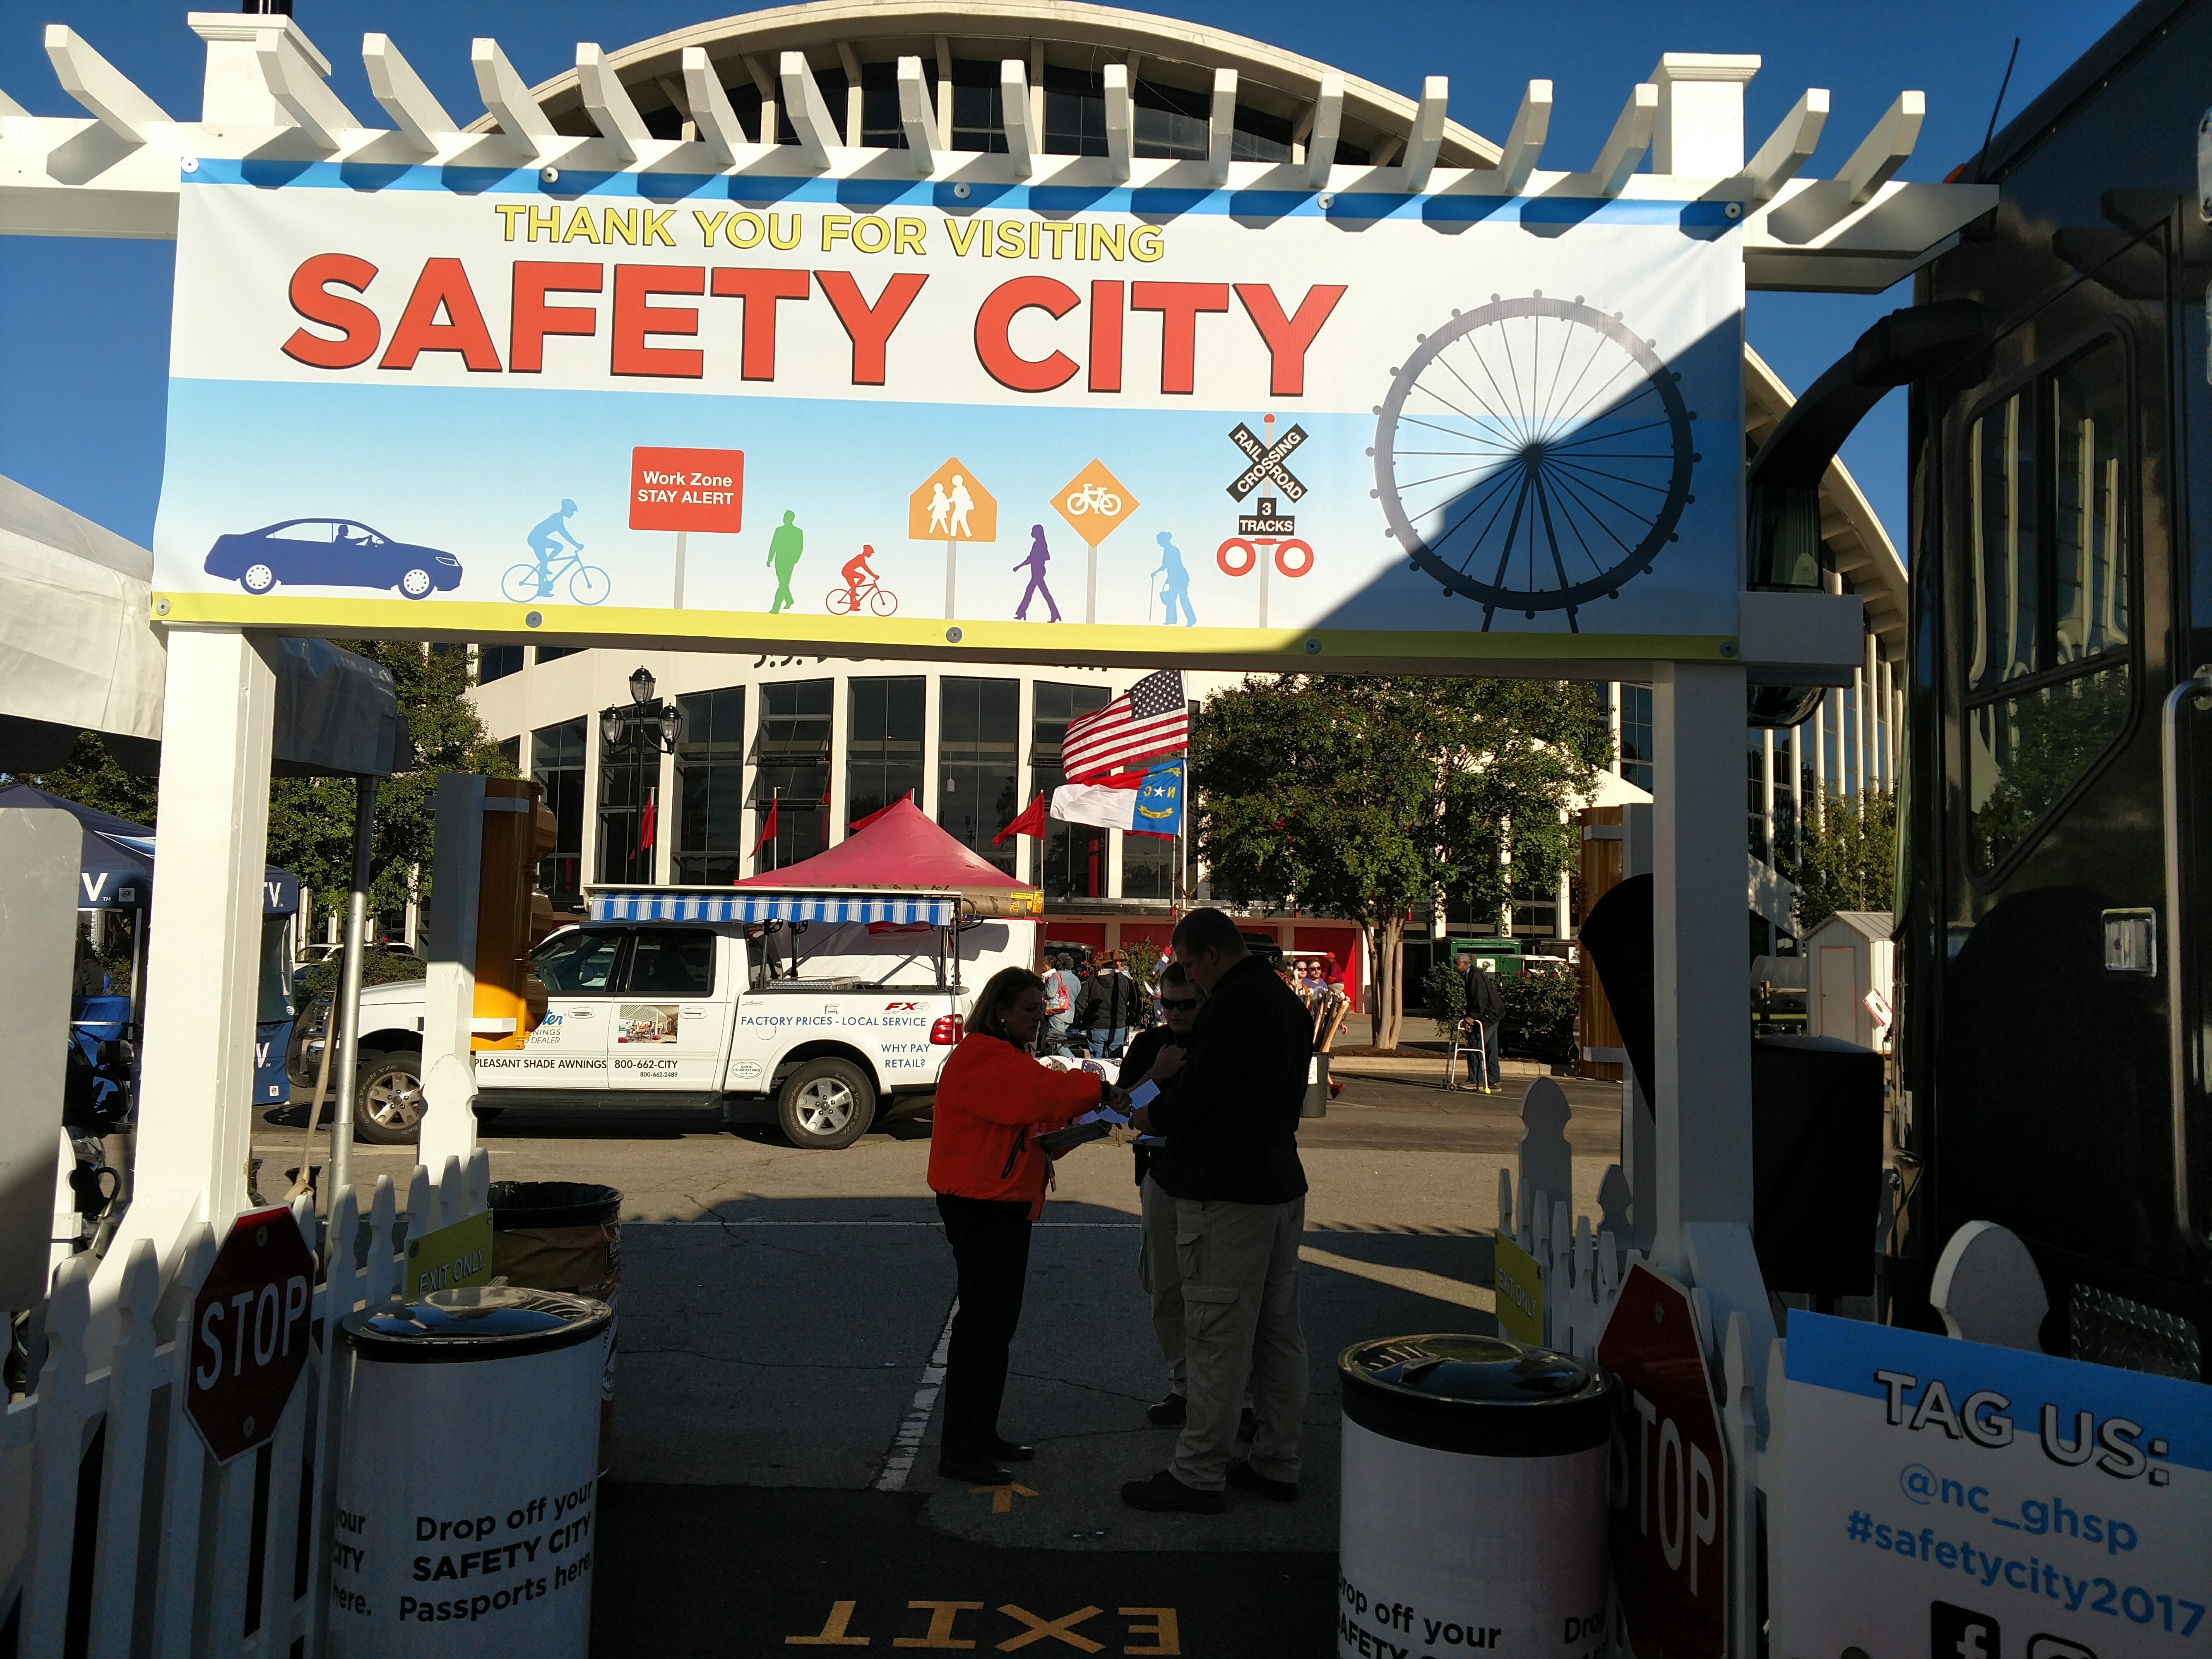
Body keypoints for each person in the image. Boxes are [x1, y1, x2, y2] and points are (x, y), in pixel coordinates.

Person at [1121, 908, 1311, 1514]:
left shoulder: (1232, 1006)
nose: (1190, 981)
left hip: (1228, 1192)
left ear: (1209, 956)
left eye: (1189, 966)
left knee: (1215, 1336)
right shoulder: (1286, 1003)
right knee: (1276, 1332)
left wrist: (1151, 1114)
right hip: (1277, 1181)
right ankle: (1277, 1458)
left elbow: (1202, 1094)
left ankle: (1199, 1472)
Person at [927, 967, 1117, 1484]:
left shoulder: (1000, 1057)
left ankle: (979, 1436)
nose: (1039, 1018)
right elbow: (1042, 1094)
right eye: (1031, 1010)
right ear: (1001, 1011)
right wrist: (1100, 1089)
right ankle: (961, 1450)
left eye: (1041, 1009)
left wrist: (1075, 1125)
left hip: (997, 1201)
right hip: (982, 1205)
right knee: (983, 1330)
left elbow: (1035, 1113)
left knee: (995, 1329)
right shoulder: (984, 1056)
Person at [1116, 962, 1200, 1423]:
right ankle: (1183, 1385)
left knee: (1217, 1290)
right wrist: (1157, 1073)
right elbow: (1122, 1107)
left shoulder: (1215, 1041)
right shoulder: (1151, 1045)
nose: (1176, 1013)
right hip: (1160, 1171)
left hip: (1212, 1177)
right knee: (1167, 1286)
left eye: (1186, 1004)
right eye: (1168, 1004)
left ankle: (1241, 1396)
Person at [1073, 952, 1138, 1060]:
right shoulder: (1124, 981)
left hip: (1097, 1027)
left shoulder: (1092, 980)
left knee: (1097, 1063)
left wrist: (1087, 1020)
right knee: (1115, 1062)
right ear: (1116, 964)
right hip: (1118, 1026)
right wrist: (1129, 1020)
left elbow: (1080, 1003)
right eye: (1119, 962)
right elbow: (1135, 1004)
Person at [525, 499, 583, 598]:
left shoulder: (558, 518)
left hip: (539, 538)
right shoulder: (557, 518)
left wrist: (576, 544)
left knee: (557, 548)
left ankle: (545, 565)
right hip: (535, 539)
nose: (573, 514)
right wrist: (576, 545)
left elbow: (564, 533)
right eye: (572, 511)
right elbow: (565, 534)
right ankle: (541, 590)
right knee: (546, 559)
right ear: (567, 509)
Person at [1463, 956, 1504, 1094]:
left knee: (1475, 1044)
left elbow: (1480, 998)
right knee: (1491, 1047)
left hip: (1488, 1015)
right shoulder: (1472, 974)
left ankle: (1476, 1080)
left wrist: (1473, 1016)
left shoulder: (1474, 976)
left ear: (1465, 963)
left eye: (1457, 964)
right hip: (1494, 1013)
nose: (1455, 966)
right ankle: (1494, 1081)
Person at [1013, 524, 1061, 622]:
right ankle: (1022, 613)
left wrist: (1020, 566)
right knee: (1038, 593)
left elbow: (1047, 557)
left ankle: (1022, 613)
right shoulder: (1037, 544)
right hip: (1036, 573)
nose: (1031, 533)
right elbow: (1031, 558)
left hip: (1038, 573)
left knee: (1033, 593)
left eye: (1033, 531)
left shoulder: (1040, 544)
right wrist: (1021, 565)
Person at [1151, 531, 1196, 627]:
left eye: (1159, 541)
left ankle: (1191, 619)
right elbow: (1168, 566)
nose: (1158, 543)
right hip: (1175, 578)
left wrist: (1158, 573)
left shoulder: (1172, 550)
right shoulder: (1168, 550)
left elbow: (1172, 565)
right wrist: (1161, 574)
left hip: (1179, 578)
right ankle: (1172, 619)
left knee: (1182, 599)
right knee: (1172, 599)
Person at [1041, 953, 1080, 1056]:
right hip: (1070, 1014)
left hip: (1057, 1012)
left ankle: (1072, 1060)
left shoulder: (1056, 976)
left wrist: (1044, 992)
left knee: (1056, 1042)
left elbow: (1050, 994)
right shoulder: (1076, 979)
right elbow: (1078, 995)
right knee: (1062, 1041)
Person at [766, 509, 805, 613]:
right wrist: (770, 559)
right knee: (783, 583)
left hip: (789, 561)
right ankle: (789, 600)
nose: (784, 518)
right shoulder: (779, 530)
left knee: (783, 584)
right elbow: (774, 545)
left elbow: (800, 547)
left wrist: (795, 559)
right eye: (784, 516)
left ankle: (776, 608)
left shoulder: (798, 532)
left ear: (791, 519)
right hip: (779, 560)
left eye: (786, 517)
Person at [841, 543, 877, 609]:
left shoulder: (861, 558)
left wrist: (874, 576)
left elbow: (866, 568)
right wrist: (874, 576)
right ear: (867, 552)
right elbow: (866, 569)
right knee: (855, 585)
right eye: (871, 553)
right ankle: (852, 606)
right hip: (847, 572)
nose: (871, 555)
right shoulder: (860, 558)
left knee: (862, 578)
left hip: (849, 571)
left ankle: (854, 590)